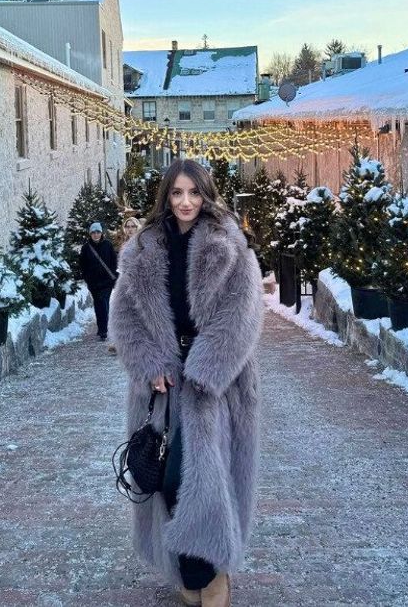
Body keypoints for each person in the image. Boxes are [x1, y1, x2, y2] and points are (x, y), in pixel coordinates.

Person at [109, 159, 264, 607]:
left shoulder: (228, 246)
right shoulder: (142, 250)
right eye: (177, 193)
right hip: (160, 390)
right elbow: (124, 316)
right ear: (166, 197)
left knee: (208, 482)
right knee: (166, 479)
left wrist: (205, 370)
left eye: (193, 193)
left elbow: (244, 317)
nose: (186, 202)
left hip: (216, 388)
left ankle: (210, 579)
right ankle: (186, 572)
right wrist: (149, 363)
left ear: (206, 194)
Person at [79, 222, 118, 351]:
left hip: (106, 281)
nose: (96, 234)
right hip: (94, 283)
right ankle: (101, 326)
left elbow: (114, 261)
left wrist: (113, 275)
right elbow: (82, 265)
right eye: (93, 232)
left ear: (101, 233)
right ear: (90, 234)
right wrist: (88, 278)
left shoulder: (107, 245)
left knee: (104, 302)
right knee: (98, 303)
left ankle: (103, 330)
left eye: (98, 232)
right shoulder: (86, 248)